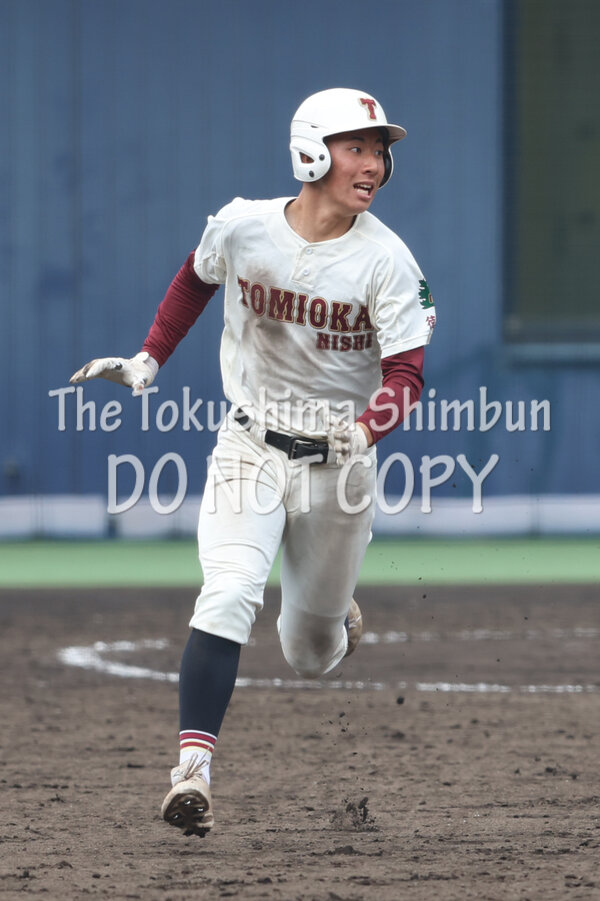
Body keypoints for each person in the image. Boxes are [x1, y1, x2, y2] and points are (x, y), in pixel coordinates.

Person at [70, 87, 436, 837]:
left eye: (379, 150)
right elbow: (195, 277)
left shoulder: (389, 261)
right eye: (356, 147)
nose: (373, 163)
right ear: (311, 152)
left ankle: (337, 621)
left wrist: (364, 432)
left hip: (339, 466)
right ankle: (192, 772)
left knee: (309, 654)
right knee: (230, 591)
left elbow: (406, 375)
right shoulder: (243, 226)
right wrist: (148, 359)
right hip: (249, 447)